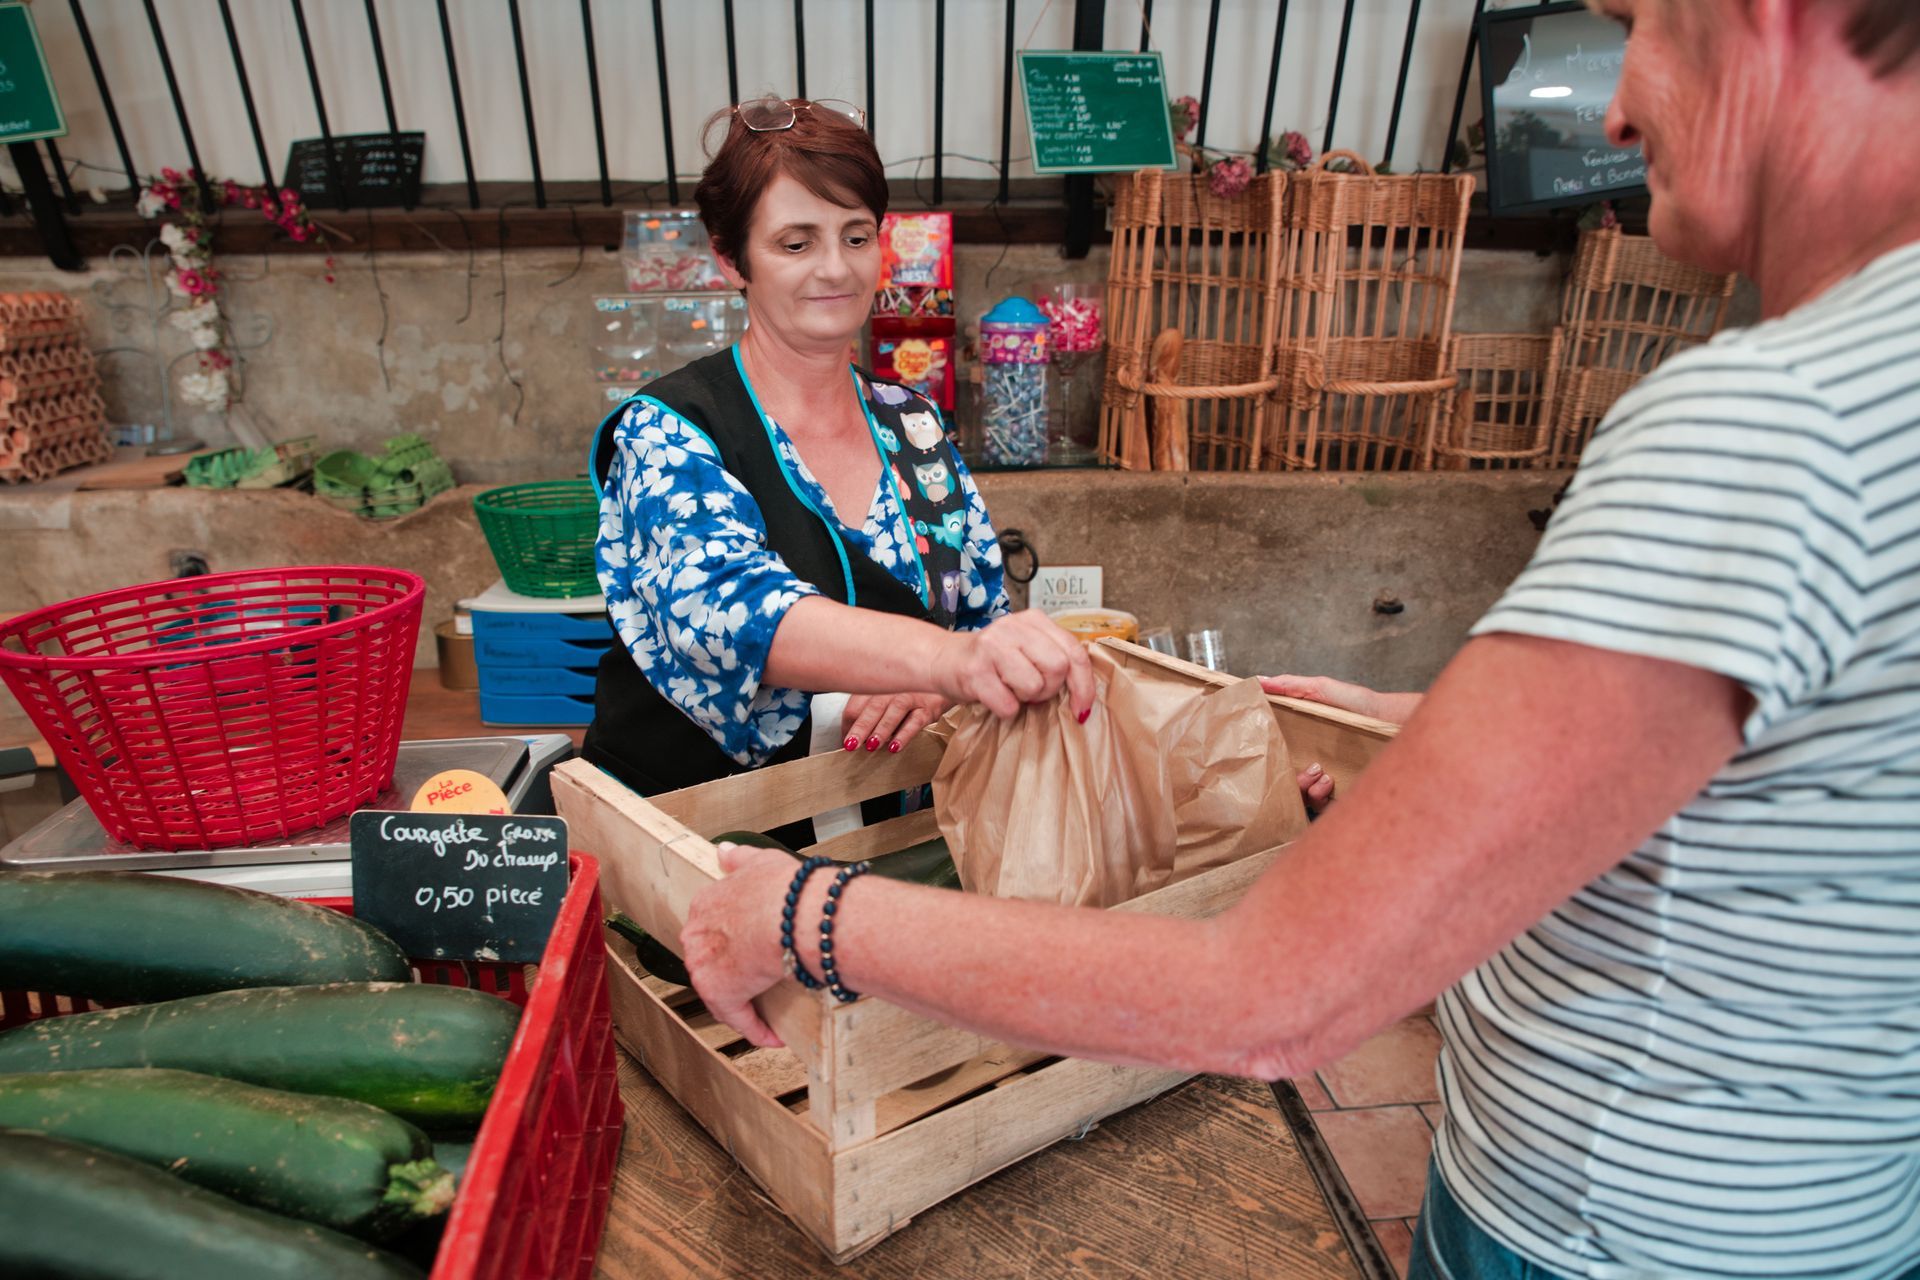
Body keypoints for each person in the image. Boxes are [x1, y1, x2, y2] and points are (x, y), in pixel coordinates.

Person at [681, 4, 1920, 1276]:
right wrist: (1415, 733)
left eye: (1644, 24)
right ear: (739, 260)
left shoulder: (1775, 421)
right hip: (1826, 1207)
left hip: (1623, 1234)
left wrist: (808, 913)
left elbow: (1271, 995)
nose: (1612, 110)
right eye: (794, 240)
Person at [583, 97, 1090, 841]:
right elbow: (732, 612)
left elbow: (981, 615)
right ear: (731, 258)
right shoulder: (673, 430)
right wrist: (948, 660)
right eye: (795, 243)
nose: (835, 268)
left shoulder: (912, 424)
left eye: (856, 236)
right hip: (695, 852)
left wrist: (940, 689)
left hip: (886, 853)